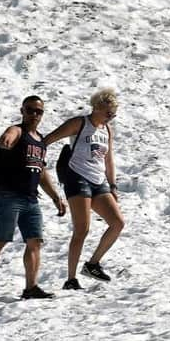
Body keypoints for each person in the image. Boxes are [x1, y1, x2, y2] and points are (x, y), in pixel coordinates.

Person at [0, 95, 66, 300]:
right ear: (22, 111)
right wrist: (7, 138)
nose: (34, 114)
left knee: (34, 242)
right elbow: (10, 134)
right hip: (8, 196)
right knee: (1, 239)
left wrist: (55, 197)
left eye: (38, 111)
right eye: (30, 110)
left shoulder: (40, 141)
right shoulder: (17, 131)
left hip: (31, 199)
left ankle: (31, 287)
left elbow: (41, 172)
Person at [44, 88, 125, 290]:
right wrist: (35, 159)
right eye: (108, 113)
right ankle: (71, 279)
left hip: (98, 180)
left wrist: (112, 184)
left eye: (113, 114)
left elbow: (109, 159)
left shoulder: (106, 131)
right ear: (96, 107)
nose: (110, 118)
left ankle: (93, 264)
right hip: (76, 177)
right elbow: (48, 140)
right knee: (82, 229)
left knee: (117, 223)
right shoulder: (79, 123)